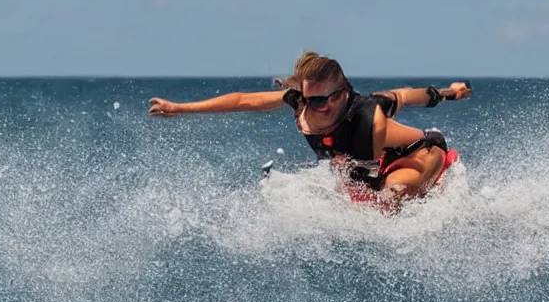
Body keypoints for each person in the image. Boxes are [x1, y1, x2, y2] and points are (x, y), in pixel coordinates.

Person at [148, 51, 471, 202]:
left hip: (418, 154)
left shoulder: (366, 110)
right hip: (368, 164)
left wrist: (452, 92)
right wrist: (180, 108)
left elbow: (409, 95)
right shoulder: (299, 103)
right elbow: (244, 100)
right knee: (352, 192)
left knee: (386, 201)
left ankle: (432, 187)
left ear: (343, 92)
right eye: (312, 99)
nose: (322, 106)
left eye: (328, 98)